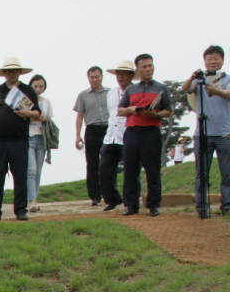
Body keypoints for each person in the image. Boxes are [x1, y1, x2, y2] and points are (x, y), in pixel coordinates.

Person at [0, 57, 42, 221]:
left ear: (19, 72)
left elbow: (37, 113)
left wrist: (27, 113)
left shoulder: (28, 90)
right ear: (4, 73)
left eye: (14, 71)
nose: (11, 74)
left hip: (20, 140)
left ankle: (21, 210)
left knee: (20, 176)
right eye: (8, 71)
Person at [187, 45, 230, 217]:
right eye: (209, 58)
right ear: (204, 61)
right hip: (202, 133)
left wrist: (216, 91)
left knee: (228, 173)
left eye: (216, 58)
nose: (213, 61)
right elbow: (186, 89)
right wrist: (193, 77)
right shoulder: (199, 80)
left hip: (225, 133)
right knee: (202, 173)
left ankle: (227, 206)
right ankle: (202, 206)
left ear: (222, 60)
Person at [119, 53, 171, 216]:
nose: (148, 69)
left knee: (152, 170)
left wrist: (156, 115)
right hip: (132, 132)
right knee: (130, 170)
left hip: (151, 132)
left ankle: (153, 204)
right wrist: (130, 110)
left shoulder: (161, 88)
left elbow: (168, 110)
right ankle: (131, 205)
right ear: (138, 70)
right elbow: (120, 110)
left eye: (150, 65)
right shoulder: (131, 89)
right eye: (144, 66)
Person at [70, 66, 114, 207]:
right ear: (88, 78)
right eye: (92, 77)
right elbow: (79, 116)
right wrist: (77, 135)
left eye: (97, 76)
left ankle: (111, 194)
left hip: (109, 129)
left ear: (102, 76)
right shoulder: (83, 95)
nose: (94, 80)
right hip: (92, 130)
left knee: (109, 163)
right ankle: (95, 195)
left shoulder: (111, 93)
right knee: (92, 163)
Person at [99, 60, 135, 210]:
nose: (120, 77)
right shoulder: (112, 93)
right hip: (111, 135)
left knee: (130, 171)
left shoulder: (135, 90)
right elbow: (111, 113)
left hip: (128, 133)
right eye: (118, 74)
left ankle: (130, 202)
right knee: (104, 169)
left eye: (124, 74)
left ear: (131, 75)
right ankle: (113, 198)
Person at [26, 73, 54, 209]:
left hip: (42, 138)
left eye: (41, 86)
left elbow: (50, 119)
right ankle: (31, 200)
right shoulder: (26, 101)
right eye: (35, 86)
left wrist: (44, 118)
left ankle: (33, 200)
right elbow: (21, 116)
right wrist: (33, 117)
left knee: (38, 171)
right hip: (29, 136)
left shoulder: (46, 102)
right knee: (31, 169)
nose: (38, 89)